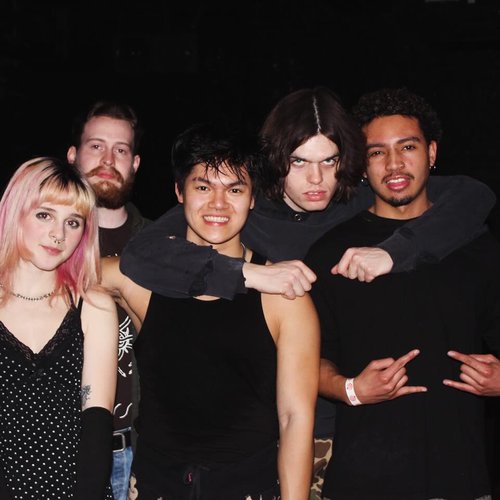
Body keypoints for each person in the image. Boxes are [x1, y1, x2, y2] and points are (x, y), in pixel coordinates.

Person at [118, 86, 496, 498]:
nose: (316, 180)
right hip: (260, 434)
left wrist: (394, 253)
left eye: (329, 161)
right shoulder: (241, 207)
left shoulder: (359, 200)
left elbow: (473, 196)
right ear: (275, 159)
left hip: (353, 432)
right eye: (299, 162)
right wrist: (246, 274)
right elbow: (142, 253)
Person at [102, 122, 320, 499]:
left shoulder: (284, 295)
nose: (218, 204)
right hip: (157, 484)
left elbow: (295, 419)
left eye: (235, 189)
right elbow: (66, 271)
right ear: (179, 192)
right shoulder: (141, 282)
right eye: (203, 187)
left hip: (248, 484)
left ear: (252, 198)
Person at [304, 87, 500, 500]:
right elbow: (306, 361)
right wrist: (351, 389)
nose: (394, 163)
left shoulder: (477, 245)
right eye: (377, 152)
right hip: (363, 482)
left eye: (407, 147)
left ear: (431, 152)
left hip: (462, 479)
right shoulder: (329, 253)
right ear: (361, 165)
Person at [0, 157, 118, 499]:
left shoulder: (93, 307)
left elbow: (97, 419)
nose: (58, 234)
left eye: (73, 222)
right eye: (44, 215)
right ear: (15, 213)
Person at [67, 100, 150, 500]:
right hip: (67, 449)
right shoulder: (44, 242)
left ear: (135, 163)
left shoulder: (162, 243)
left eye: (120, 150)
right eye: (96, 146)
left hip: (146, 451)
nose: (107, 159)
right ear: (73, 155)